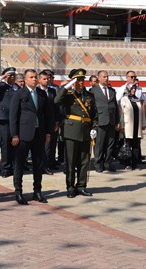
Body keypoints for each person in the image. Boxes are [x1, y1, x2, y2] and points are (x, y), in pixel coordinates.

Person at [9, 69, 52, 205]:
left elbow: (46, 115)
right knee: (20, 164)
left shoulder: (41, 94)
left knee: (38, 164)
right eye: (31, 77)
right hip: (23, 135)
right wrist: (14, 134)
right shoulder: (19, 94)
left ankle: (37, 191)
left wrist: (48, 132)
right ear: (26, 79)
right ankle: (18, 191)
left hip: (39, 134)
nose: (34, 79)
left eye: (35, 77)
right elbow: (13, 116)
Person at [55, 69, 97, 198]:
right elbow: (56, 100)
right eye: (78, 80)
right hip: (71, 131)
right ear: (73, 81)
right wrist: (66, 86)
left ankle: (81, 186)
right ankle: (70, 187)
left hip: (85, 131)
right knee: (71, 162)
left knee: (84, 161)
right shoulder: (68, 94)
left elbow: (94, 113)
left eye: (82, 80)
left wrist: (94, 127)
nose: (80, 82)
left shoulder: (89, 95)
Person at [0, 67, 18, 178]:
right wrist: (1, 78)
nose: (11, 77)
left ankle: (14, 166)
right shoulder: (1, 86)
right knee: (5, 144)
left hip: (15, 119)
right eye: (9, 75)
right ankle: (6, 168)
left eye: (13, 75)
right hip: (3, 119)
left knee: (15, 143)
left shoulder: (17, 87)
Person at [90, 70, 120, 172]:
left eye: (107, 77)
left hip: (111, 121)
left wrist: (117, 121)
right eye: (104, 77)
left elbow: (115, 106)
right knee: (99, 144)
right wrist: (94, 122)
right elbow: (92, 108)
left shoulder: (112, 90)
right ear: (98, 78)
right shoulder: (93, 90)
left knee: (110, 144)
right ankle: (98, 164)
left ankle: (108, 163)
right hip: (100, 121)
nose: (106, 78)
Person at [119, 83, 146, 170]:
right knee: (127, 146)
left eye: (135, 88)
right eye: (132, 89)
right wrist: (121, 125)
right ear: (128, 89)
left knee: (136, 146)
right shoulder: (124, 99)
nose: (134, 90)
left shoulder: (137, 100)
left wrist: (143, 123)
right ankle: (127, 164)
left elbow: (141, 112)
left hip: (137, 126)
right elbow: (121, 113)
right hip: (127, 126)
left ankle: (135, 164)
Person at [38, 69, 60, 174]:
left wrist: (56, 121)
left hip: (52, 122)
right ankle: (43, 166)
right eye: (45, 79)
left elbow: (56, 107)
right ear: (40, 80)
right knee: (44, 145)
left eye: (48, 78)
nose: (47, 80)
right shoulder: (37, 91)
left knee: (52, 144)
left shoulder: (52, 91)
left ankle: (51, 162)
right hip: (41, 123)